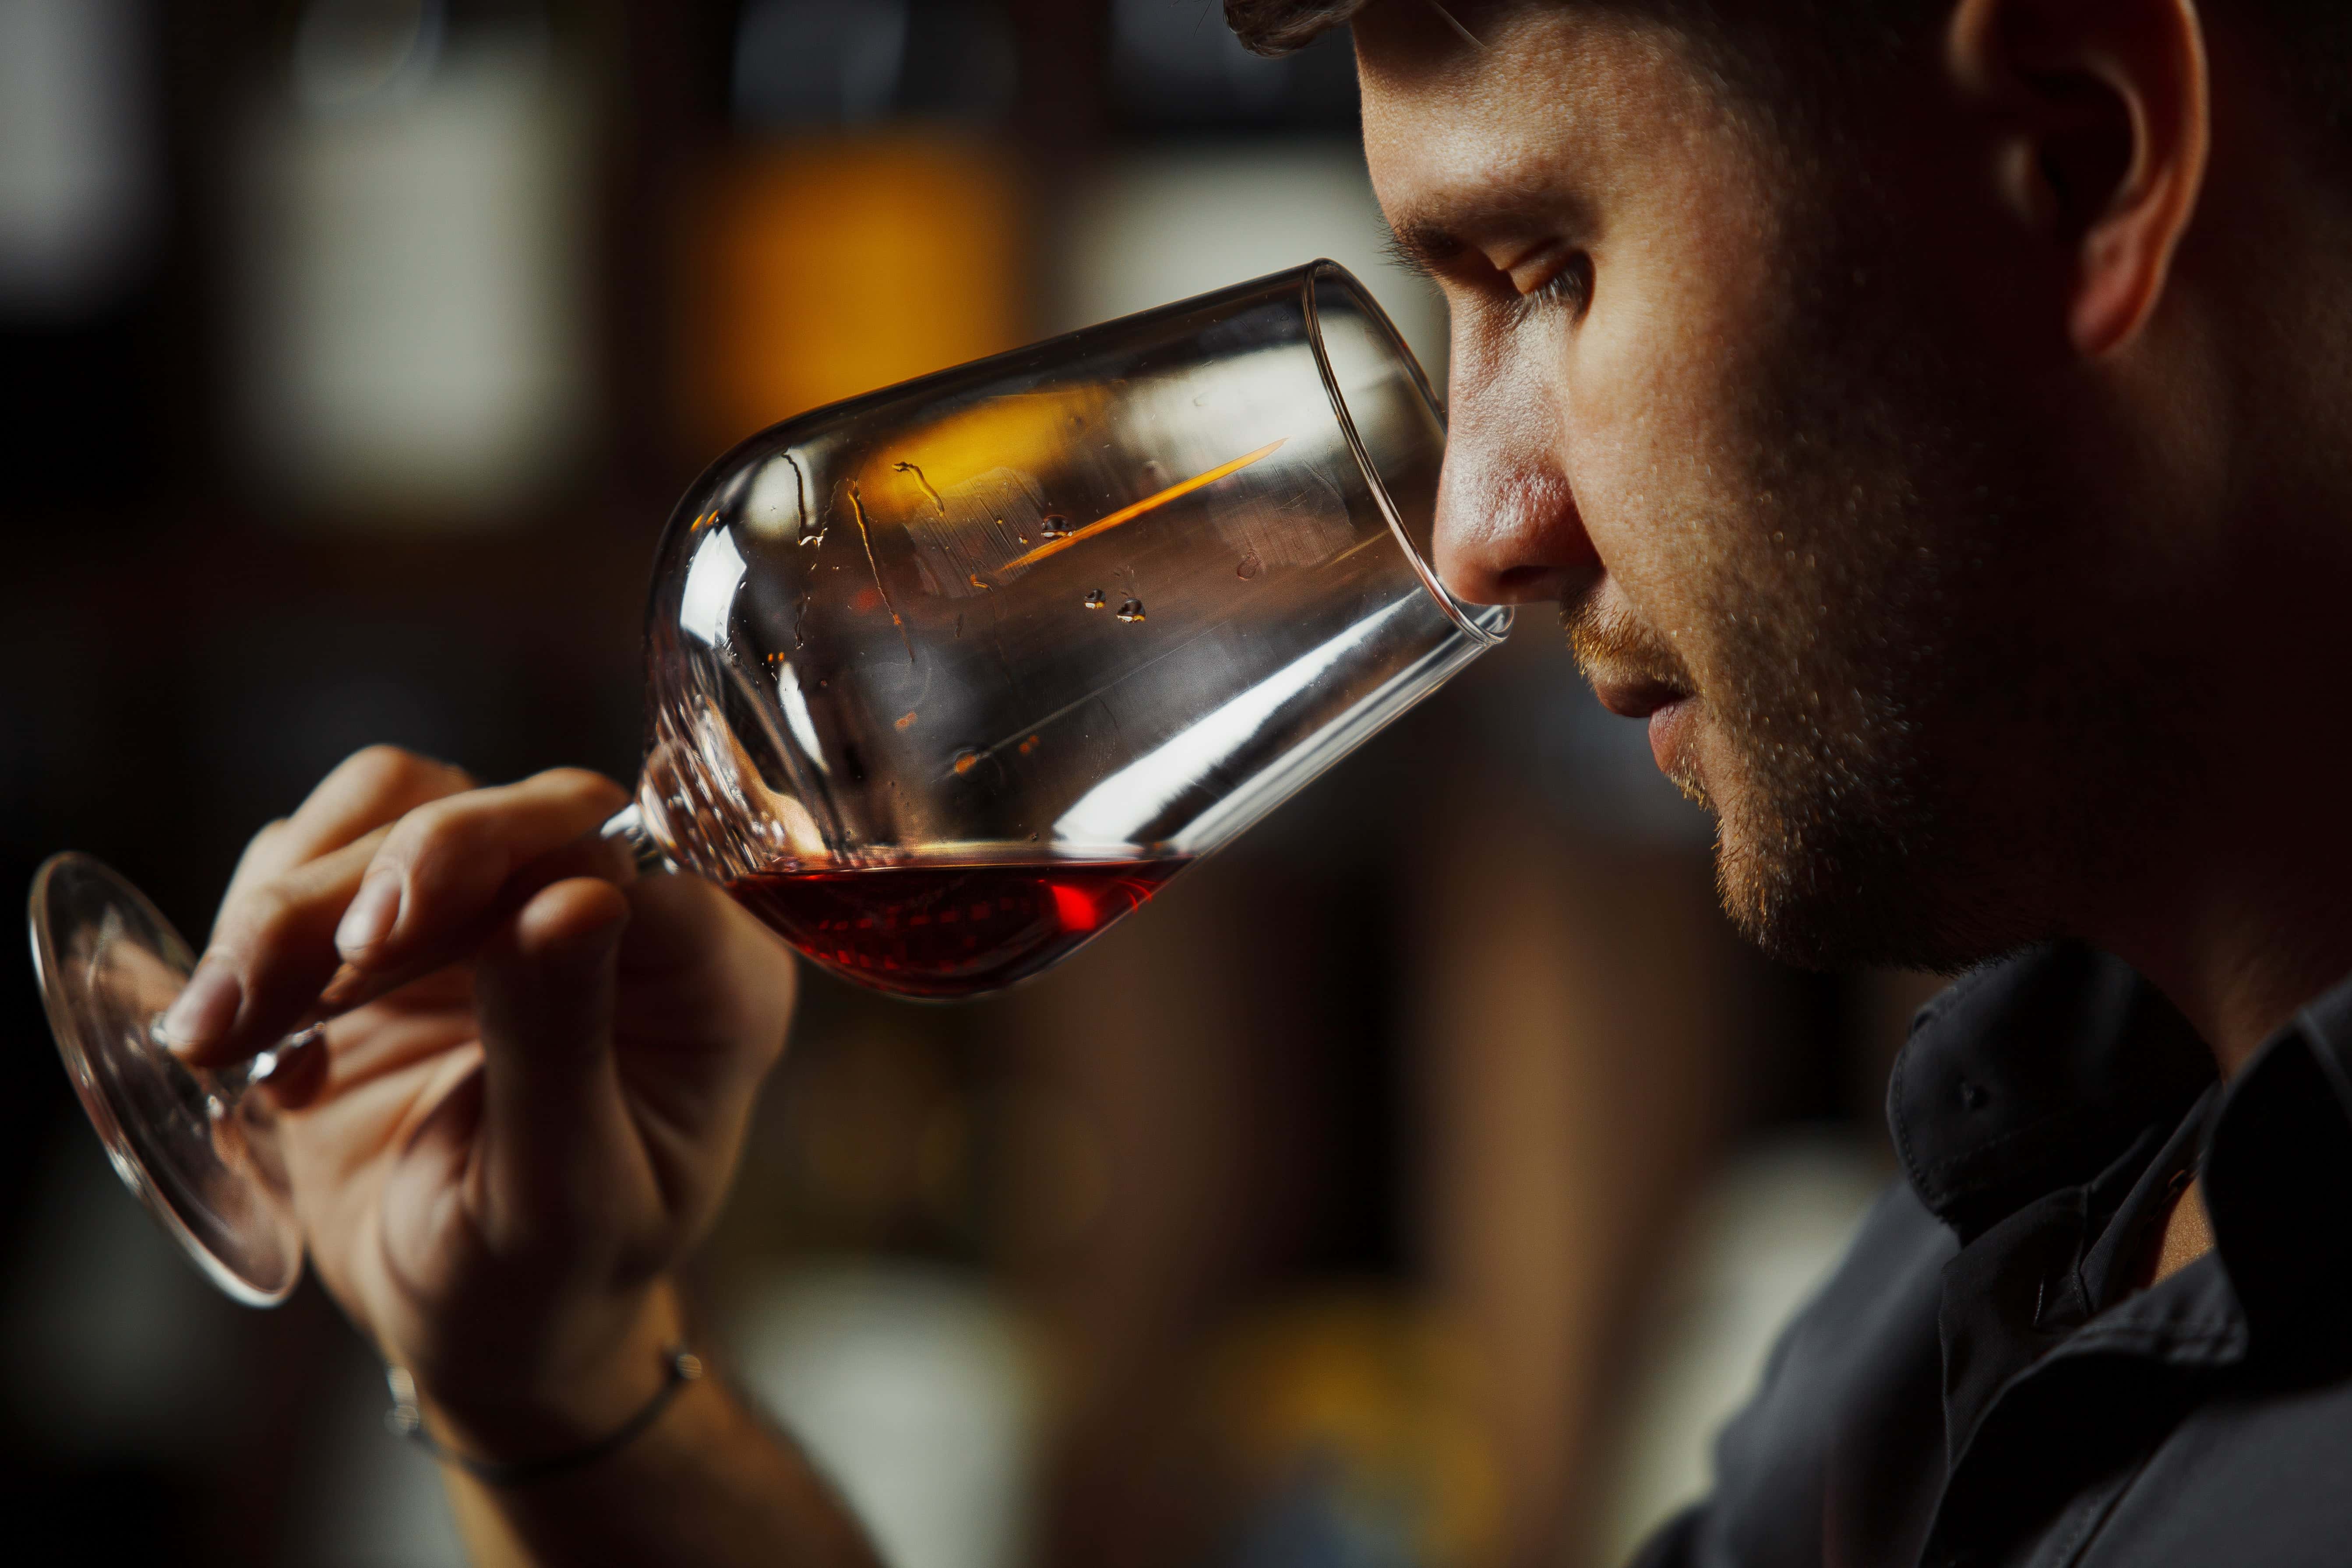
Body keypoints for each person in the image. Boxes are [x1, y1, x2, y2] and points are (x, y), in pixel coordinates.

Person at [159, 0, 2352, 1561]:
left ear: (2074, 156)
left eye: (1546, 271)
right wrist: (559, 1382)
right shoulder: (2031, 1207)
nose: (1482, 527)